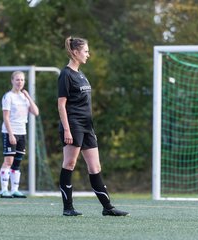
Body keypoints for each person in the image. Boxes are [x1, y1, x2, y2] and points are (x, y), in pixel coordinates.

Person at [57, 36, 129, 216]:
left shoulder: (81, 74)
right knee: (69, 163)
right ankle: (68, 208)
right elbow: (61, 104)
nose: (88, 54)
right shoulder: (66, 74)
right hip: (73, 125)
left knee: (95, 167)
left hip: (88, 126)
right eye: (86, 51)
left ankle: (108, 207)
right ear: (75, 52)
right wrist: (66, 129)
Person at [0, 71, 39, 198]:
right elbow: (5, 117)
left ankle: (14, 190)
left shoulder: (24, 97)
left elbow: (35, 112)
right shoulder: (8, 96)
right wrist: (11, 134)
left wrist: (28, 97)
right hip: (10, 132)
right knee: (8, 161)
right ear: (12, 81)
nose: (19, 82)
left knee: (17, 162)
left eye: (22, 80)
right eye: (17, 80)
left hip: (22, 132)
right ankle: (4, 190)